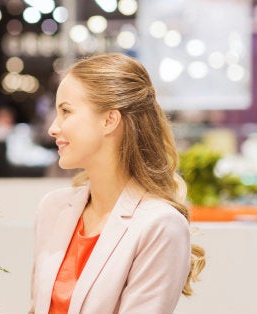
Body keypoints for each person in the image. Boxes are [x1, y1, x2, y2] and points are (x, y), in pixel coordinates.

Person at [30, 53, 205, 313]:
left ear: (110, 120)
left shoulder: (159, 225)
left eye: (66, 111)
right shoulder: (53, 208)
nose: (53, 128)